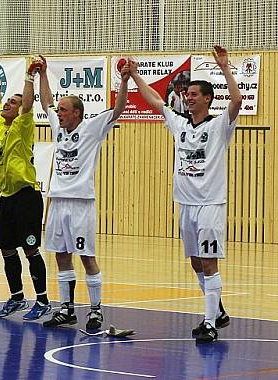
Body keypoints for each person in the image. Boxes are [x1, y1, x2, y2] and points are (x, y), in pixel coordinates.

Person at [129, 46, 238, 343]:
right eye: (186, 94)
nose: (187, 98)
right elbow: (154, 101)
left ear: (207, 99)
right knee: (195, 261)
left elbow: (237, 102)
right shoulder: (179, 123)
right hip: (186, 204)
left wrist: (225, 68)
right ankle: (219, 312)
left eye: (193, 94)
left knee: (208, 261)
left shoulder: (218, 126)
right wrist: (136, 75)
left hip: (210, 204)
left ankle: (209, 323)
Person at [39, 56, 130, 329]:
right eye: (59, 110)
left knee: (87, 257)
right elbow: (45, 102)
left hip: (81, 203)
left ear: (77, 113)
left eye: (64, 110)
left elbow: (118, 110)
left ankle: (95, 310)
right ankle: (66, 308)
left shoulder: (92, 128)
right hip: (57, 202)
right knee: (60, 255)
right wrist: (42, 74)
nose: (59, 113)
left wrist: (124, 81)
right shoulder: (58, 126)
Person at [0, 56, 51, 320]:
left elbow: (26, 103)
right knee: (6, 248)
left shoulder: (24, 125)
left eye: (12, 102)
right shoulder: (0, 125)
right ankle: (16, 298)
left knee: (30, 249)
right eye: (8, 102)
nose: (6, 104)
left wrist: (29, 76)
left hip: (27, 196)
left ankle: (43, 300)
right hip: (7, 197)